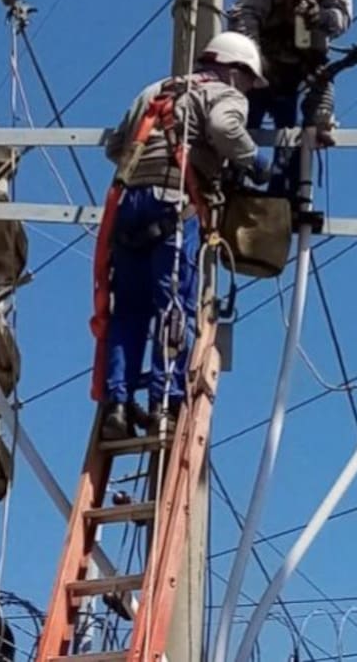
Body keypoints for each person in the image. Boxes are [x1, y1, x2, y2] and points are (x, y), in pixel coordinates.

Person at [98, 32, 271, 440]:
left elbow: (115, 147)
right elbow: (224, 128)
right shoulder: (225, 94)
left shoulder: (155, 89)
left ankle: (117, 407)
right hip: (175, 204)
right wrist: (254, 161)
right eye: (248, 80)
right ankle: (165, 404)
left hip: (128, 205)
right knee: (173, 304)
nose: (248, 90)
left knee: (129, 310)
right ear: (233, 70)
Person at [227, 0, 353, 195]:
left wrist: (320, 17)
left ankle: (286, 197)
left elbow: (342, 17)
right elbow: (244, 16)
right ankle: (233, 184)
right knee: (241, 123)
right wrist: (256, 63)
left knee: (296, 134)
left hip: (302, 67)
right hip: (261, 66)